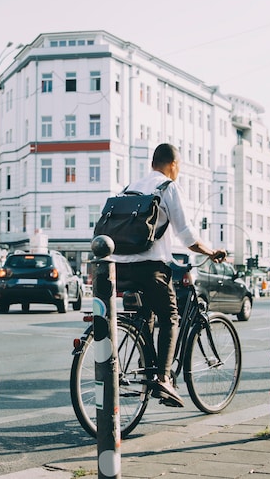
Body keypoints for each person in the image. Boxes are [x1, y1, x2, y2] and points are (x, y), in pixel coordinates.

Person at [110, 143, 228, 408]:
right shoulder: (168, 187)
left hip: (119, 267)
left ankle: (147, 365)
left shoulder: (130, 187)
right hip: (150, 268)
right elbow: (186, 235)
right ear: (173, 164)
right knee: (170, 316)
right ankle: (163, 378)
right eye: (180, 166)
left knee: (147, 317)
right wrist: (210, 252)